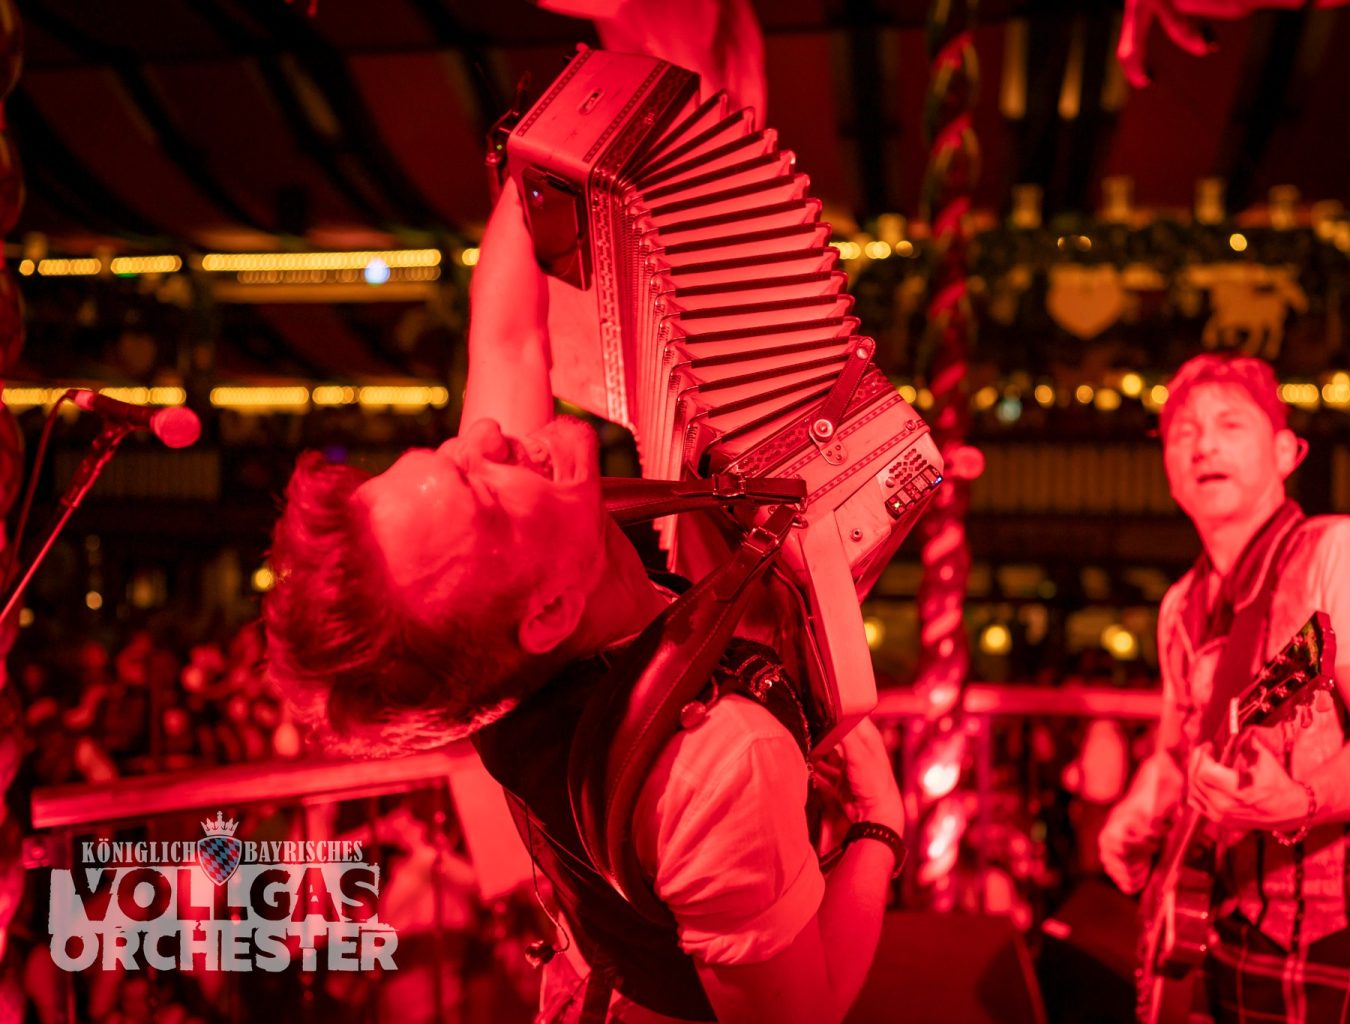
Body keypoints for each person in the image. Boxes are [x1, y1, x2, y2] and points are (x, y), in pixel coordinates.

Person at [263, 181, 905, 1024]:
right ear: (548, 616)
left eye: (450, 453)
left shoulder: (494, 645)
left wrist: (533, 167)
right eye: (481, 491)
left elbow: (508, 337)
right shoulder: (716, 765)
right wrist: (878, 830)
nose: (486, 438)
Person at [1097, 354, 1350, 1021]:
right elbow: (1177, 751)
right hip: (1234, 932)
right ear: (1166, 466)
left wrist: (1302, 800)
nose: (1205, 444)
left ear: (1286, 452)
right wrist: (1138, 810)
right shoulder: (1181, 605)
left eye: (1230, 424)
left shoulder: (1344, 552)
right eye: (1184, 432)